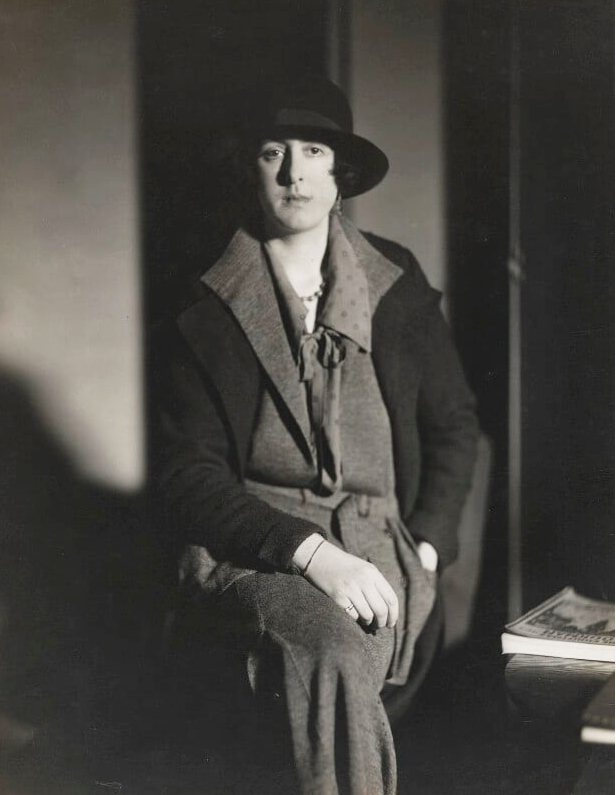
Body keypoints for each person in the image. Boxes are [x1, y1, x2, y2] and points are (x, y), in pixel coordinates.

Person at [153, 74, 479, 795]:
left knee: (358, 648)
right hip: (257, 546)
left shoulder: (396, 282)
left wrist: (424, 548)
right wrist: (314, 557)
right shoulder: (207, 301)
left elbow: (456, 426)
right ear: (251, 168)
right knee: (328, 643)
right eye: (273, 152)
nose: (294, 173)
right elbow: (189, 477)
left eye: (313, 152)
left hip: (383, 545)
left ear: (342, 172)